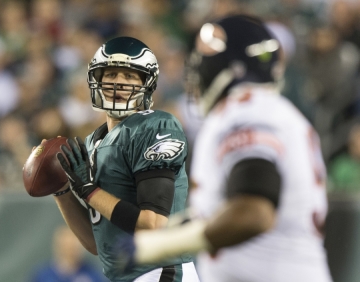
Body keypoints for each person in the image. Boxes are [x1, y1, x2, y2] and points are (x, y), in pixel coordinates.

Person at [114, 15, 334, 282]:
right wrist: (168, 231)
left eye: (205, 62)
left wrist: (160, 246)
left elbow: (255, 212)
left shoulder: (247, 110)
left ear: (233, 67)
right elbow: (222, 213)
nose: (198, 73)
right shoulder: (268, 110)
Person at [47, 36, 200, 281]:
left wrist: (89, 191)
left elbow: (153, 224)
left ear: (146, 83)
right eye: (110, 74)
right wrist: (62, 190)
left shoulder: (155, 126)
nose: (119, 82)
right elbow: (95, 244)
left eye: (129, 76)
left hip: (159, 271)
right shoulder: (91, 142)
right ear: (97, 80)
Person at [29, 225, 107, 282]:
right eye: (68, 246)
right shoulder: (43, 275)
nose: (72, 251)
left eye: (75, 246)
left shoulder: (91, 273)